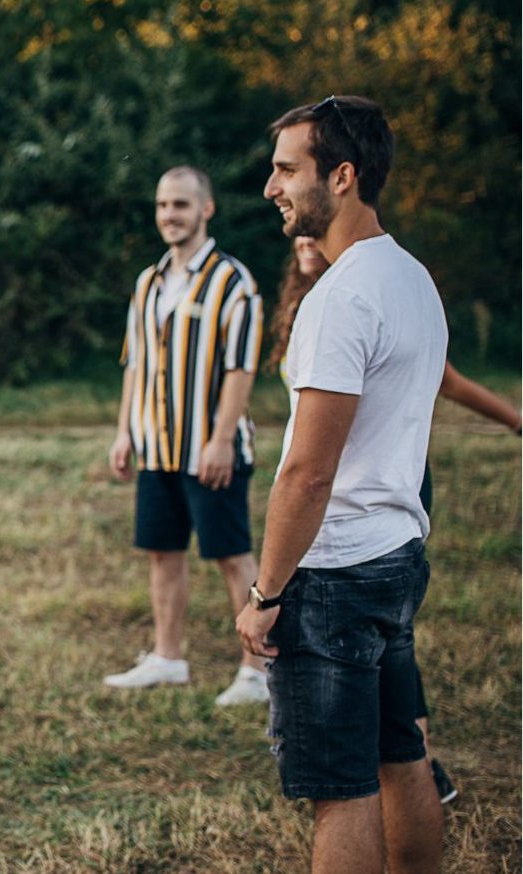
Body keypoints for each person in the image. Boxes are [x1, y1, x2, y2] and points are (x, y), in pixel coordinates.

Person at [239, 95, 446, 873]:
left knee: (343, 788)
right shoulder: (413, 278)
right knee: (402, 756)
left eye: (288, 169)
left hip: (334, 573)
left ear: (345, 175)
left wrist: (265, 596)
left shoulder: (341, 297)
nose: (272, 187)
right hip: (397, 553)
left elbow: (308, 470)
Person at [269, 233, 520, 806]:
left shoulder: (354, 297)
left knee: (379, 677)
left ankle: (417, 758)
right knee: (385, 661)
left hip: (365, 501)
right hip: (352, 503)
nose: (304, 241)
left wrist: (516, 421)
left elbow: (311, 471)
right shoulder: (323, 302)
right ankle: (411, 757)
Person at [104, 166, 268, 707]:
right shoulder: (148, 282)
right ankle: (168, 657)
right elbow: (135, 364)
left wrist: (221, 440)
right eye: (162, 205)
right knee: (162, 552)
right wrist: (125, 429)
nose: (169, 215)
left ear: (206, 209)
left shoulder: (232, 281)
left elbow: (241, 369)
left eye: (180, 204)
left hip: (208, 450)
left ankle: (257, 671)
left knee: (231, 555)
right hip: (155, 447)